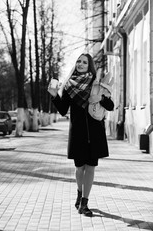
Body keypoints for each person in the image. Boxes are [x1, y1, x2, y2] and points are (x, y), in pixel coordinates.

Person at [48, 53, 114, 217]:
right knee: (79, 168)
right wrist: (54, 95)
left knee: (90, 167)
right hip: (77, 132)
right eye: (78, 61)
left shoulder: (96, 83)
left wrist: (101, 98)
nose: (81, 64)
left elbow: (111, 105)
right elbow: (63, 110)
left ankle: (84, 203)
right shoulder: (69, 86)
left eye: (84, 62)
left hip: (95, 131)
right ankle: (79, 193)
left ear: (89, 65)